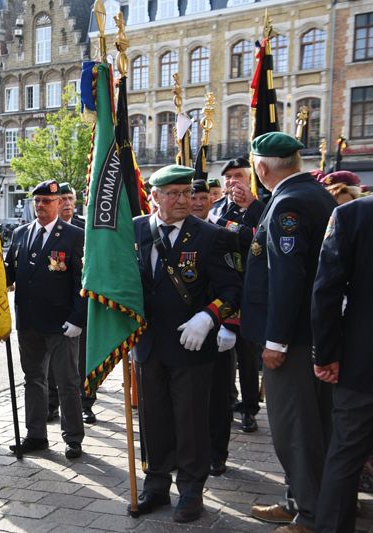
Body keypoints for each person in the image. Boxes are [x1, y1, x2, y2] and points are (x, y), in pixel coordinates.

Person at [130, 165, 241, 523]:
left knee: (191, 418)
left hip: (191, 344)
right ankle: (157, 482)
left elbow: (232, 290)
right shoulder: (132, 231)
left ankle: (192, 488)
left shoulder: (210, 236)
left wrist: (209, 317)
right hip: (147, 342)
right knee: (153, 416)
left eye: (186, 193)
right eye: (172, 194)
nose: (182, 200)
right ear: (155, 197)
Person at [241, 132, 336, 533]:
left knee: (295, 430)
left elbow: (286, 278)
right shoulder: (317, 195)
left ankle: (311, 516)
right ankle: (303, 501)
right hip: (314, 335)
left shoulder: (289, 205)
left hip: (292, 341)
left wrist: (275, 341)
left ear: (261, 169)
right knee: (317, 426)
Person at [311, 131, 373, 533]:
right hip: (366, 363)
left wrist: (326, 355)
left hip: (365, 361)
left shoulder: (355, 215)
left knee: (344, 458)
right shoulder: (352, 214)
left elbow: (326, 293)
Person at [4, 179, 86, 460]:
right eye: (37, 201)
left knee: (67, 382)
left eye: (47, 201)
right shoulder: (20, 233)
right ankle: (35, 434)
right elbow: (9, 275)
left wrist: (78, 318)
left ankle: (73, 437)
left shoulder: (74, 236)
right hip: (28, 322)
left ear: (60, 203)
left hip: (61, 323)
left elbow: (82, 282)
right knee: (33, 379)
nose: (40, 206)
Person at [208, 157, 263, 434]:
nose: (231, 181)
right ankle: (228, 399)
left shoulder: (260, 206)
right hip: (224, 289)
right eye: (227, 177)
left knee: (247, 355)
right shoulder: (217, 207)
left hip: (249, 290)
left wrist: (246, 212)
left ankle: (250, 407)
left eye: (238, 176)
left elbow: (257, 238)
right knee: (222, 353)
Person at [47, 182, 96, 424]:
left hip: (80, 305)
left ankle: (85, 404)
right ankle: (51, 404)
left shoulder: (85, 229)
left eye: (70, 199)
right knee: (51, 364)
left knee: (82, 361)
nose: (66, 203)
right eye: (62, 199)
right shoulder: (46, 230)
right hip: (54, 307)